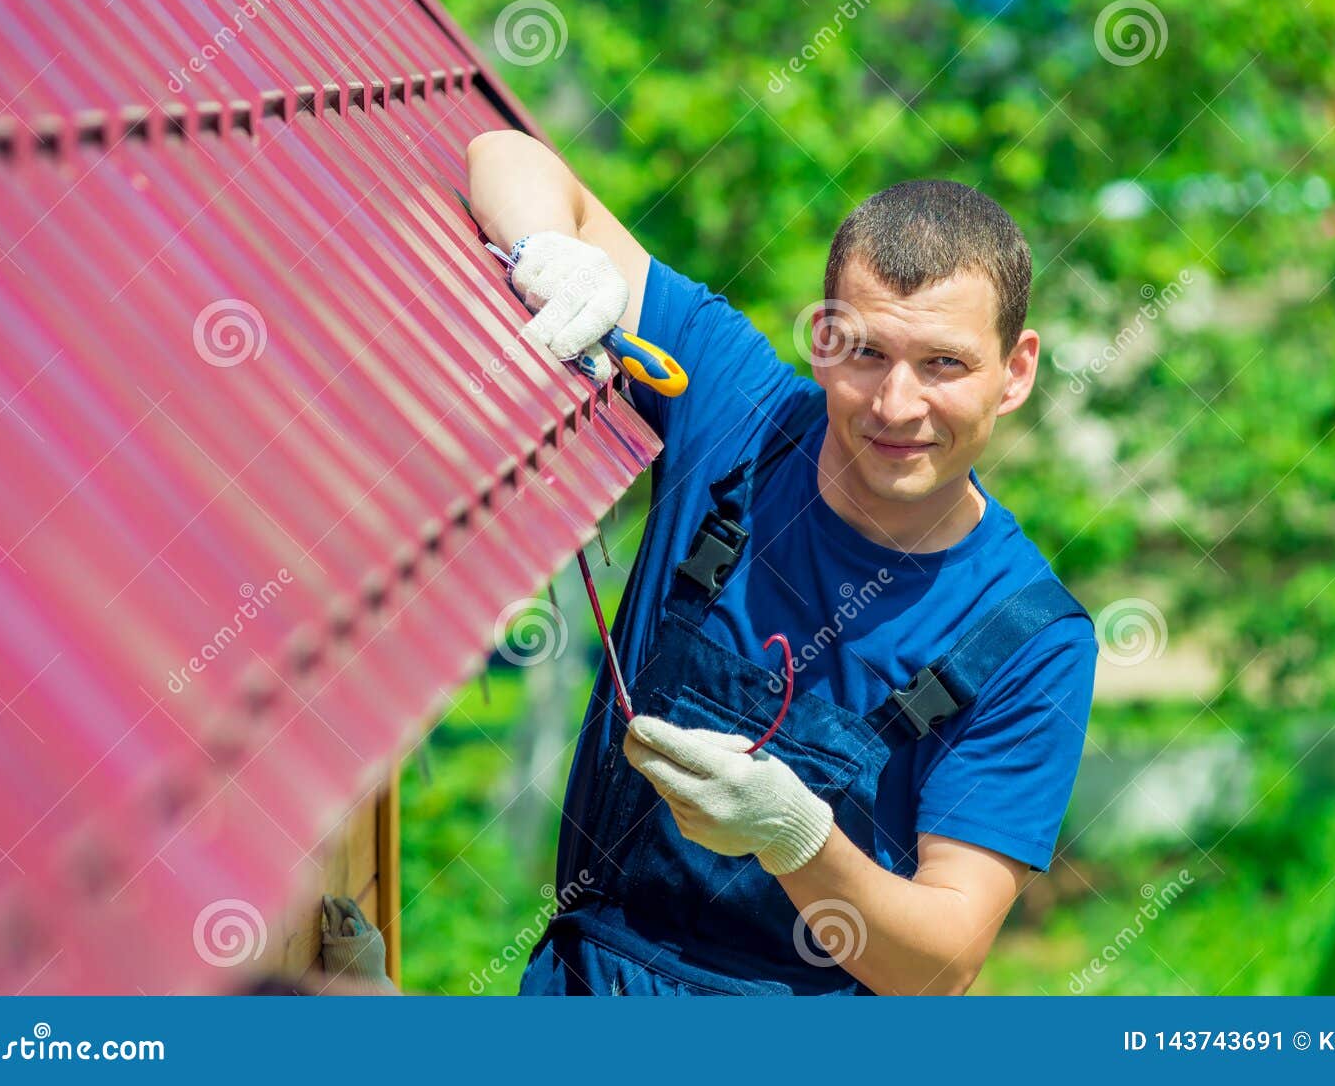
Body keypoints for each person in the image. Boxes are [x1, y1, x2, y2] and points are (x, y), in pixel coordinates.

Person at [466, 130, 1098, 996]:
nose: (897, 404)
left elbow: (943, 964)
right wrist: (552, 255)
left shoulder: (1029, 638)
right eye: (868, 352)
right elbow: (505, 153)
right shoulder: (734, 412)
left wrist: (799, 839)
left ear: (1015, 371)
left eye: (944, 364)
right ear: (825, 339)